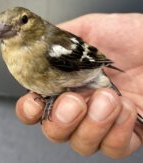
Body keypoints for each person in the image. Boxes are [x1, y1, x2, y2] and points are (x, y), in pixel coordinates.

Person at [15, 13, 143, 159]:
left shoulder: (51, 47)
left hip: (88, 72)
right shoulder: (13, 52)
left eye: (23, 21)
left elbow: (86, 58)